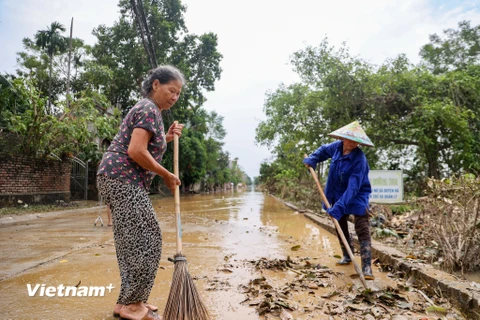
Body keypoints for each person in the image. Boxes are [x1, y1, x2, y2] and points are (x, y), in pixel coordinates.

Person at [97, 65, 185, 320]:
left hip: (117, 178)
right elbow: (135, 151)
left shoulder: (151, 111)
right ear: (156, 84)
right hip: (122, 178)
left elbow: (144, 145)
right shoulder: (148, 108)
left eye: (178, 94)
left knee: (131, 241)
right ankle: (133, 305)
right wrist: (166, 174)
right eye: (171, 90)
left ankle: (127, 301)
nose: (174, 97)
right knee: (146, 240)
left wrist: (166, 137)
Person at [303, 121, 375, 280]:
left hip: (356, 194)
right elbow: (322, 150)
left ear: (359, 142)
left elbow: (353, 188)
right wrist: (313, 159)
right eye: (349, 139)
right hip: (336, 192)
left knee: (362, 227)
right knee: (339, 224)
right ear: (343, 138)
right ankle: (347, 255)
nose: (351, 143)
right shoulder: (336, 147)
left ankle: (367, 266)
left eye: (356, 141)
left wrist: (341, 206)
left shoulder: (360, 159)